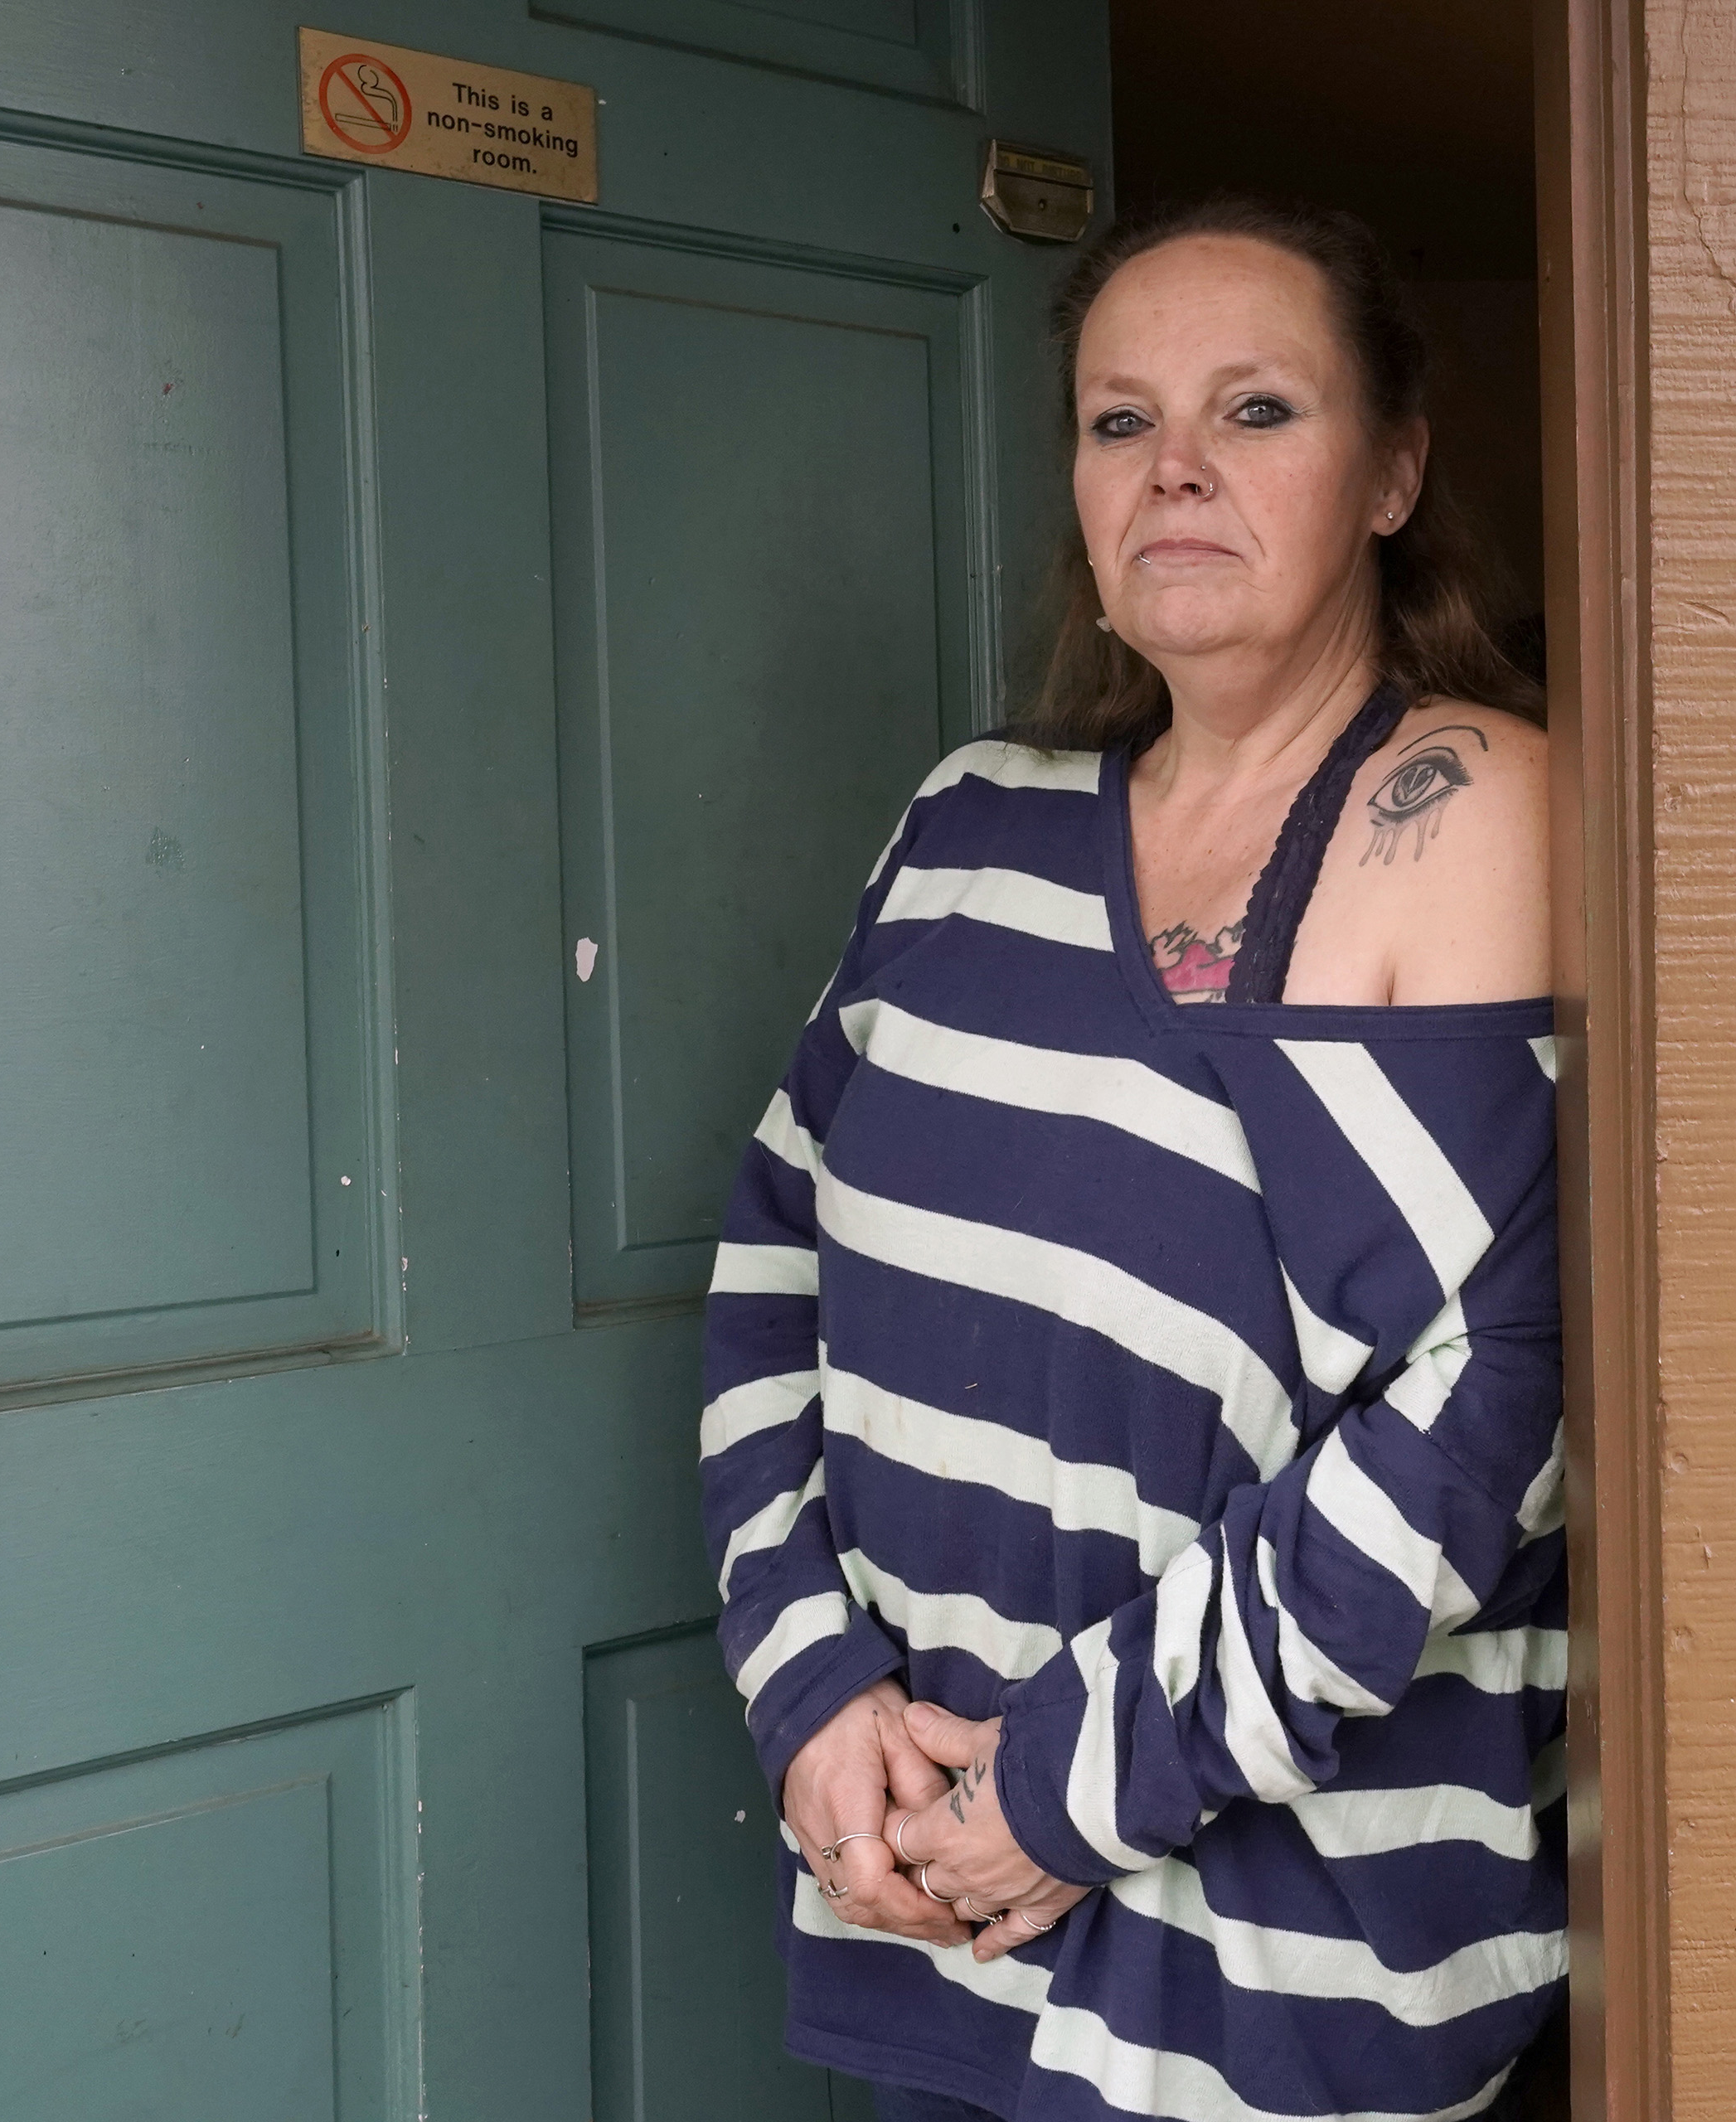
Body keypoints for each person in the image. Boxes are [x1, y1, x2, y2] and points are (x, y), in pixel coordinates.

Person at [697, 195, 1564, 2122]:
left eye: (1256, 410)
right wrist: (811, 1694)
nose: (1174, 466)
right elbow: (773, 1257)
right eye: (1119, 420)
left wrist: (1059, 1791)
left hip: (1271, 1981)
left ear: (1394, 467)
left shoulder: (1480, 808)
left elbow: (1489, 1412)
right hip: (923, 1902)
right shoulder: (965, 824)